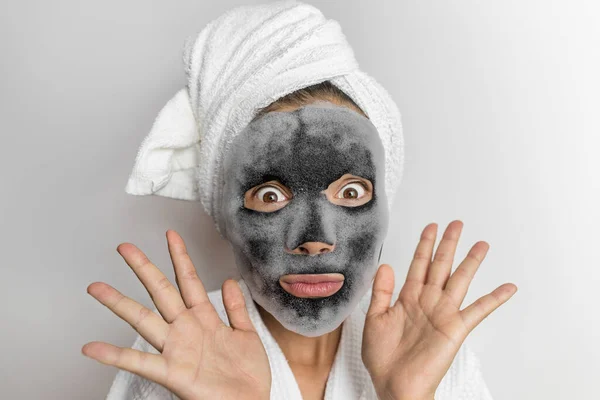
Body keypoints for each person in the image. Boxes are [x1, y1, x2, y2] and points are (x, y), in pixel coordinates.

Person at [81, 2, 517, 399]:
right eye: (270, 196)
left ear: (385, 203)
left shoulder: (426, 347)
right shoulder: (178, 346)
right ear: (223, 214)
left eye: (350, 192)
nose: (315, 240)